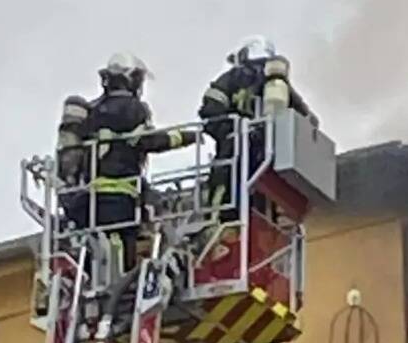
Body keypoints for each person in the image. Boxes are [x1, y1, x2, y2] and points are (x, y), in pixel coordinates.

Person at [57, 52, 193, 273]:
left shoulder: (92, 110)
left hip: (86, 197)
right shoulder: (133, 109)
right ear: (132, 79)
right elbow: (148, 140)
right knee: (123, 252)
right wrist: (184, 137)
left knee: (95, 249)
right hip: (120, 195)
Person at [198, 36, 318, 220]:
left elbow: (209, 110)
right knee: (259, 192)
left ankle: (217, 219)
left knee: (225, 183)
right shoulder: (278, 83)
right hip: (267, 151)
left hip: (237, 148)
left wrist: (228, 131)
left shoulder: (233, 77)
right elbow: (306, 117)